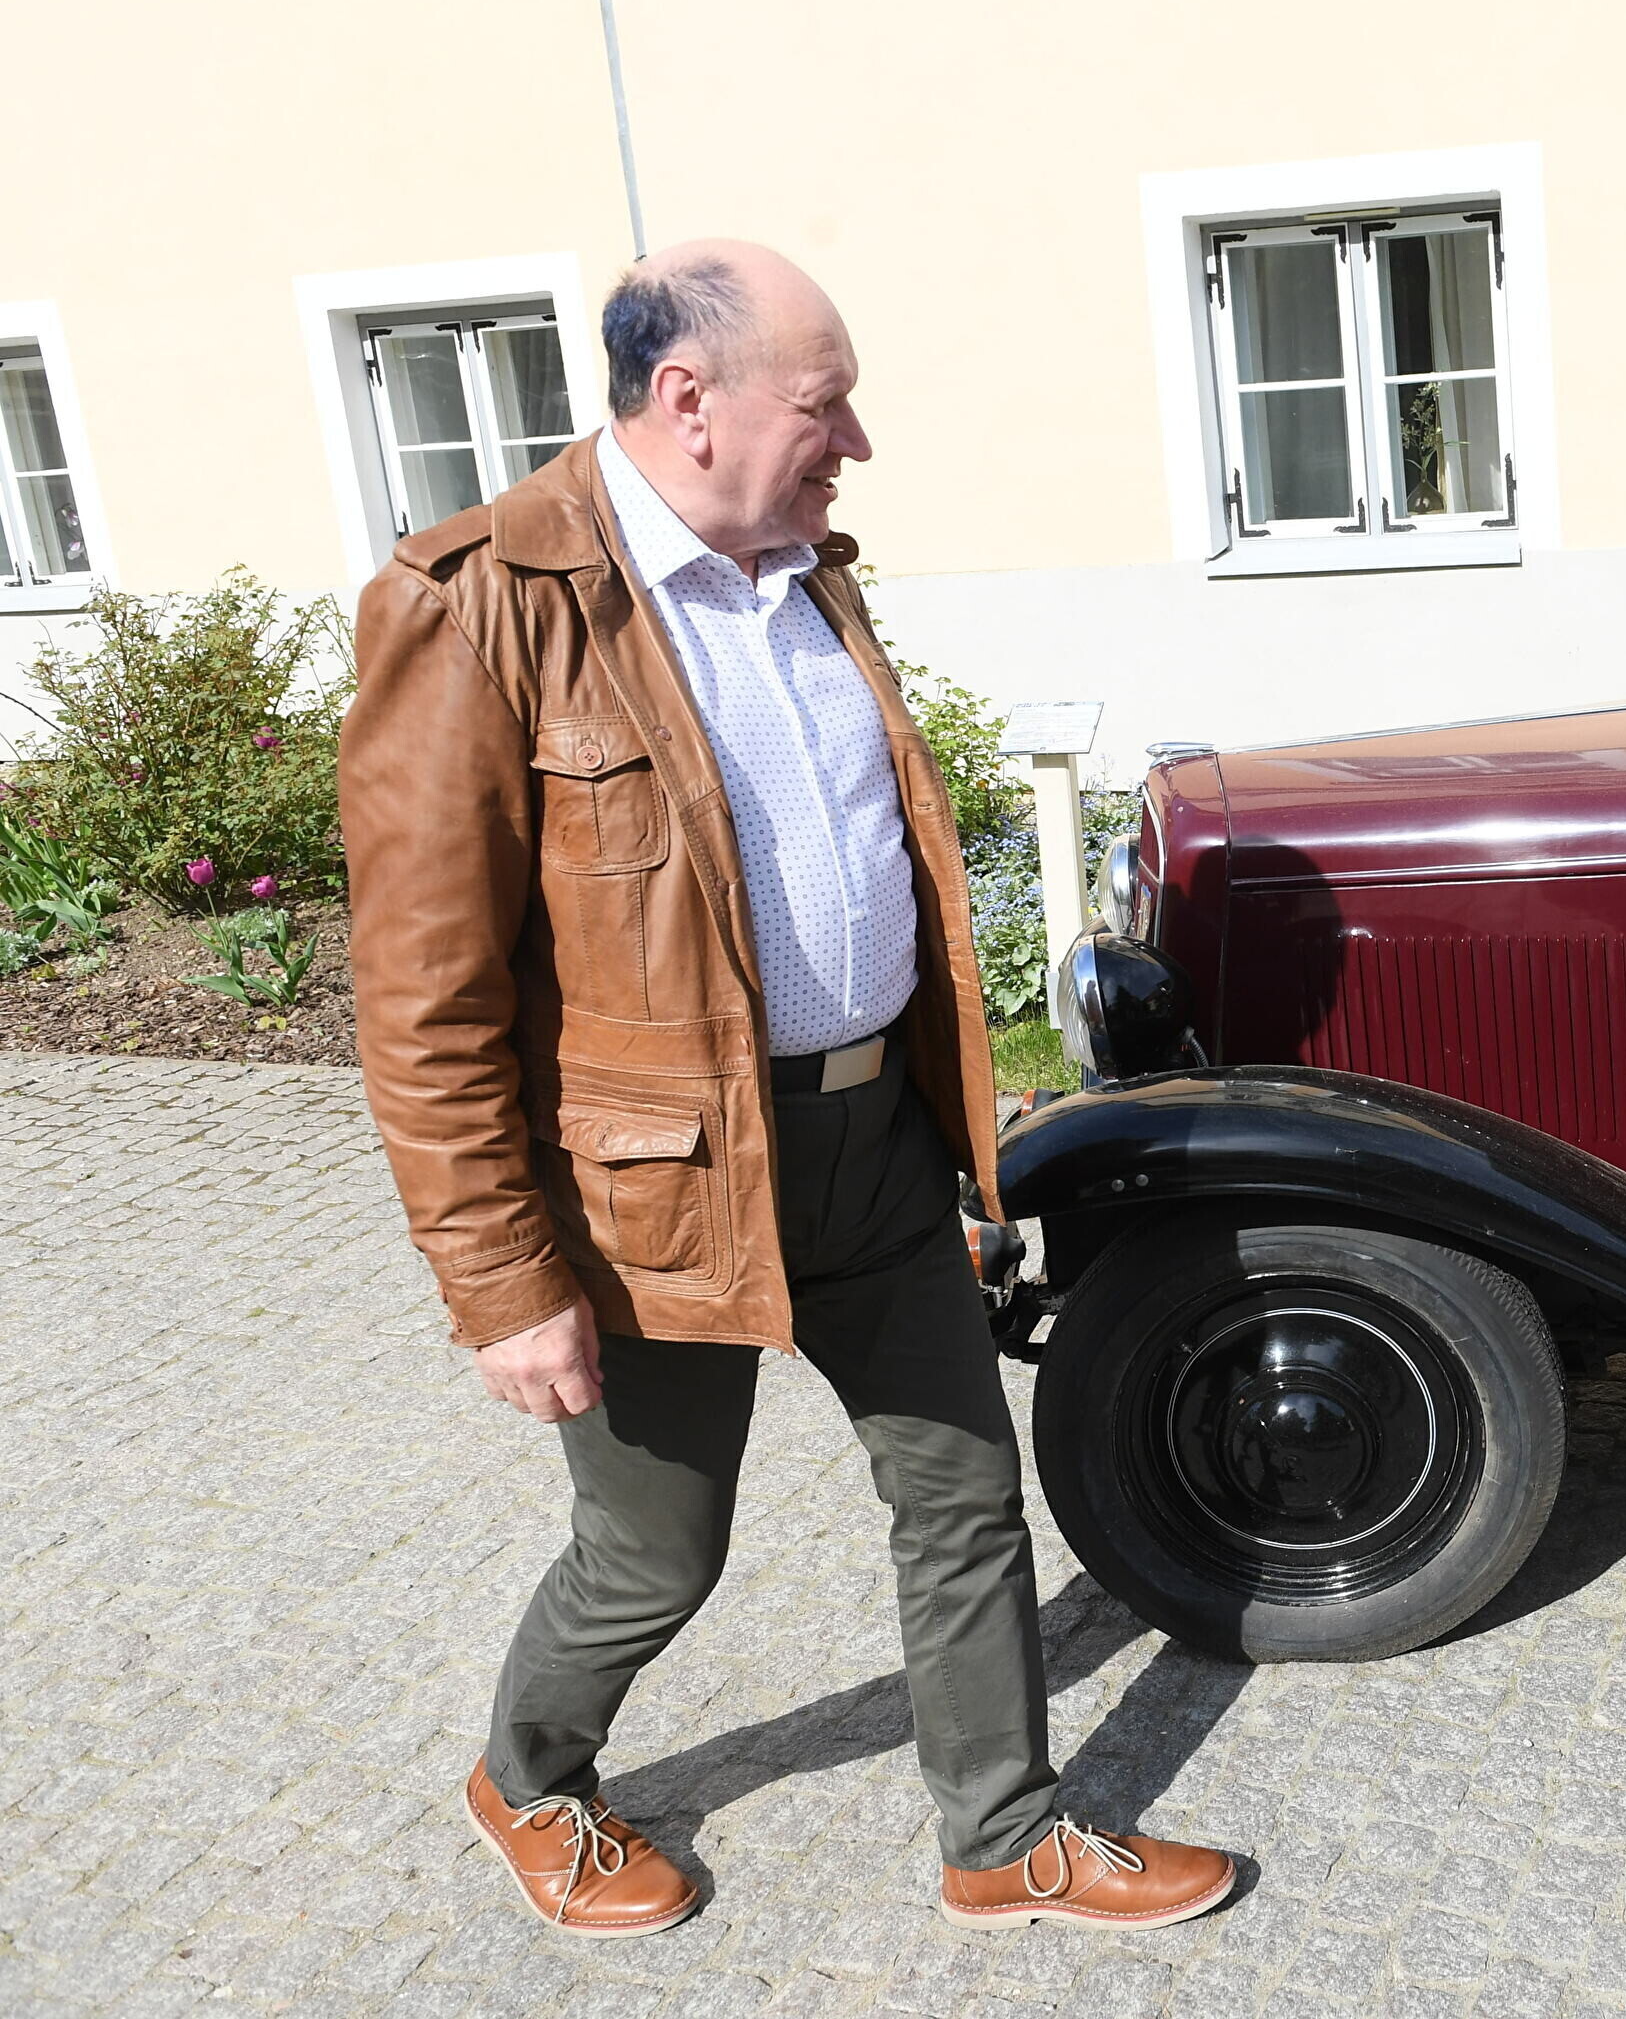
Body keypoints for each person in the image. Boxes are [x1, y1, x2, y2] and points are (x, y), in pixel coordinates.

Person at [339, 239, 1233, 1939]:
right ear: (691, 398)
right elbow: (423, 1005)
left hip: (872, 1150)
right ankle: (528, 1776)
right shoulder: (480, 607)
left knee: (963, 1494)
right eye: (826, 405)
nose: (856, 445)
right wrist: (502, 1284)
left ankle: (1005, 1832)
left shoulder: (809, 576)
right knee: (654, 1553)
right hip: (656, 1189)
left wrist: (943, 1141)